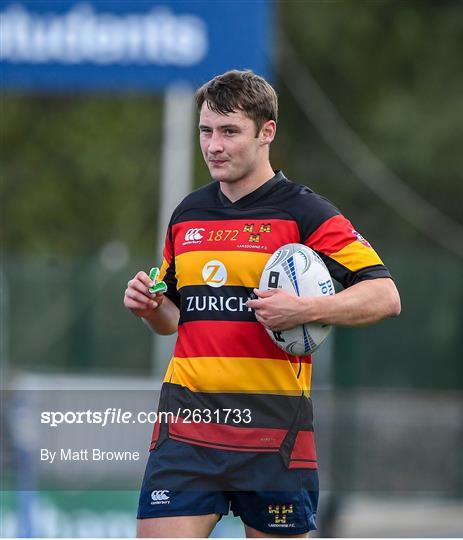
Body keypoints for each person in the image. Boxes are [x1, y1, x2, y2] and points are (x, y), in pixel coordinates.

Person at [124, 69, 401, 538]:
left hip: (273, 436)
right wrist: (150, 308)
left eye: (229, 132)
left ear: (266, 132)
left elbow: (385, 296)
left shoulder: (305, 212)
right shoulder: (187, 214)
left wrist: (306, 310)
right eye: (206, 131)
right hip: (187, 431)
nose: (214, 145)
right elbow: (173, 320)